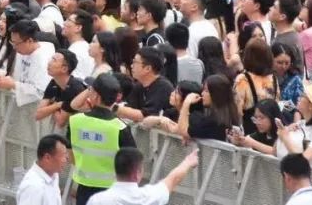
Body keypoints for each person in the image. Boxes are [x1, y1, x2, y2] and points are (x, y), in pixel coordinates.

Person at [68, 74, 137, 205]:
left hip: (84, 186)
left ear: (95, 96)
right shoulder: (120, 127)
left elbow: (70, 153)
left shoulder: (75, 121)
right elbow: (132, 164)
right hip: (113, 192)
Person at [85, 147, 199, 205]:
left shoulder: (97, 200)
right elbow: (172, 180)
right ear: (136, 173)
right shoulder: (148, 197)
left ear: (115, 171)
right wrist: (188, 162)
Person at [17, 134, 70, 205]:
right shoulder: (33, 188)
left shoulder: (53, 174)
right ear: (47, 158)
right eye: (63, 155)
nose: (67, 159)